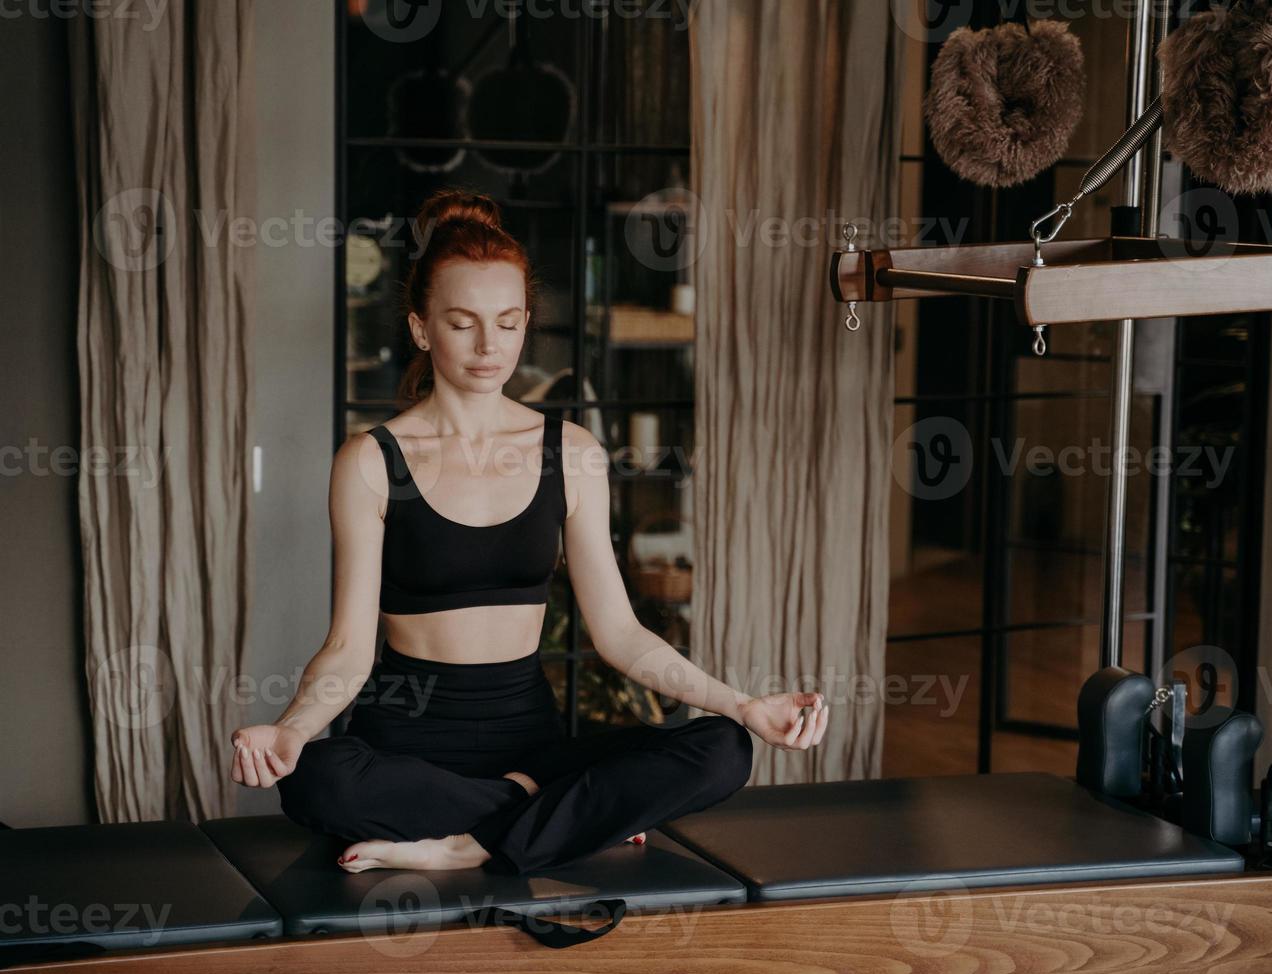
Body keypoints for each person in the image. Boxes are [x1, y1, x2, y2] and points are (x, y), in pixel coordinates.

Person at [227, 188, 829, 875]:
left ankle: (468, 844)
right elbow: (346, 649)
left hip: (533, 743)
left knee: (724, 748)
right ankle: (545, 818)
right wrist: (293, 730)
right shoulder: (369, 461)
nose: (490, 346)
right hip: (408, 751)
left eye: (509, 323)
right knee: (315, 779)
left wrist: (747, 705)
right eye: (463, 323)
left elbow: (621, 635)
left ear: (525, 325)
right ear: (421, 328)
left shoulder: (570, 452)